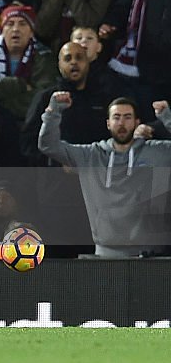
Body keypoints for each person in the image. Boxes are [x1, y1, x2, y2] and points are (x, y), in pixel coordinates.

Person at [39, 94, 171, 257]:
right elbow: (48, 146)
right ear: (108, 123)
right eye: (116, 117)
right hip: (105, 254)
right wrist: (53, 112)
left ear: (137, 123)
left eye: (127, 117)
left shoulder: (157, 152)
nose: (121, 123)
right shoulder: (91, 155)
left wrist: (167, 119)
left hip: (151, 255)